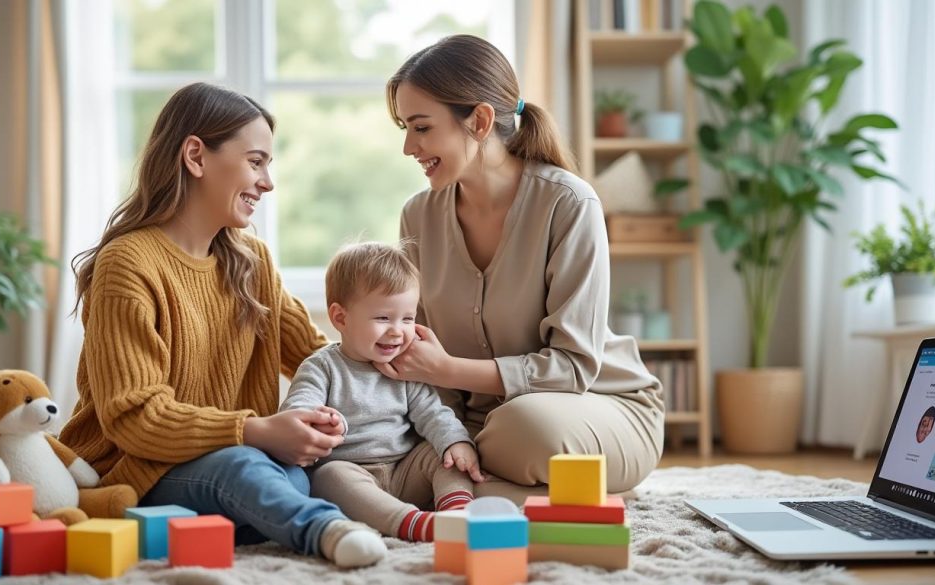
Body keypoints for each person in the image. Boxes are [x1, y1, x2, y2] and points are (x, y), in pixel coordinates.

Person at [59, 82, 385, 568]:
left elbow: (320, 356)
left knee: (291, 475)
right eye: (256, 162)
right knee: (246, 469)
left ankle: (238, 519)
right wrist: (256, 429)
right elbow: (134, 417)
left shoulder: (250, 259)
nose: (268, 182)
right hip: (137, 470)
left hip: (238, 462)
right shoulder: (128, 263)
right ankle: (325, 530)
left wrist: (386, 345)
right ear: (196, 155)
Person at [379, 34, 664, 496]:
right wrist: (441, 427)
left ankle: (477, 485)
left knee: (522, 426)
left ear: (479, 120)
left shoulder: (568, 203)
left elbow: (572, 368)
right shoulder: (419, 214)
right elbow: (422, 356)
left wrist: (447, 370)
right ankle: (532, 493)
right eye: (405, 130)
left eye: (422, 127)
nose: (409, 147)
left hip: (595, 405)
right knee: (377, 451)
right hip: (476, 421)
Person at [280, 241, 483, 542]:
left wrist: (456, 441)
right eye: (383, 318)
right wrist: (314, 419)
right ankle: (411, 524)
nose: (397, 331)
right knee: (328, 477)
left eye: (408, 319)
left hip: (404, 470)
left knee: (442, 453)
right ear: (340, 318)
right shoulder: (323, 367)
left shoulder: (405, 367)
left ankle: (456, 512)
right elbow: (298, 409)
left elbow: (433, 413)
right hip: (354, 475)